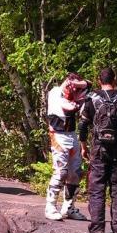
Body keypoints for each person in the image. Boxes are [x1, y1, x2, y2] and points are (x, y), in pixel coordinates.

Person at [79, 67, 117, 233]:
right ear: (115, 79)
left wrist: (83, 145)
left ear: (99, 80)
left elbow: (82, 125)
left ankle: (97, 229)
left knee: (97, 188)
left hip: (98, 147)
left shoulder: (90, 98)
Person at [44, 73, 90, 221]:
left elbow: (89, 85)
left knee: (75, 172)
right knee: (61, 172)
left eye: (77, 88)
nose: (75, 91)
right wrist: (77, 101)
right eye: (72, 86)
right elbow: (67, 108)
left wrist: (78, 86)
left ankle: (69, 207)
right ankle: (50, 206)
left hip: (71, 135)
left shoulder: (75, 91)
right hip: (58, 135)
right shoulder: (55, 92)